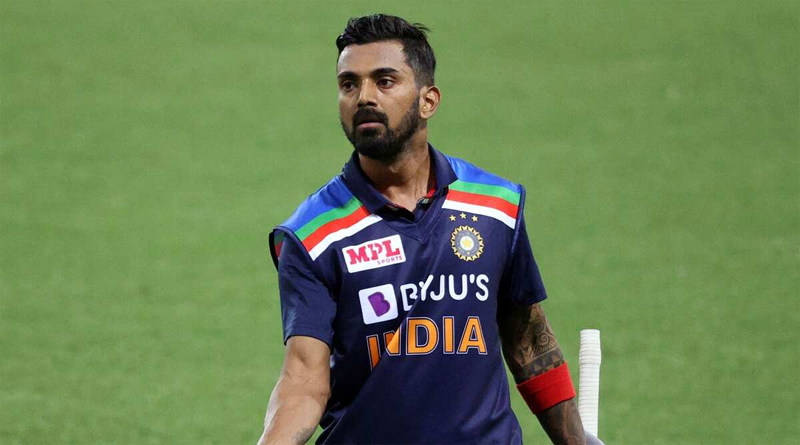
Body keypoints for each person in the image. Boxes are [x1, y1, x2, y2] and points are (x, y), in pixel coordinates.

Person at [258, 14, 597, 445]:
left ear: (428, 100)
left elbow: (528, 340)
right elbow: (304, 381)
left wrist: (577, 442)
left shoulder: (494, 206)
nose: (364, 97)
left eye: (384, 81)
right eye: (348, 84)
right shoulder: (314, 236)